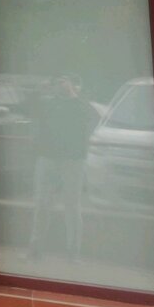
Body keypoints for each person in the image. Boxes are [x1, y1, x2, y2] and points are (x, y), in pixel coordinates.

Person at [28, 74, 101, 261]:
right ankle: (35, 249)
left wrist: (73, 94)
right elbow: (33, 115)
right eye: (56, 82)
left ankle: (73, 252)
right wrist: (39, 91)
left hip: (73, 161)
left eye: (63, 81)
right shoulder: (48, 104)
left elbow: (93, 120)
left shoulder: (81, 105)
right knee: (41, 204)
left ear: (72, 84)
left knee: (72, 205)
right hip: (47, 158)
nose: (58, 85)